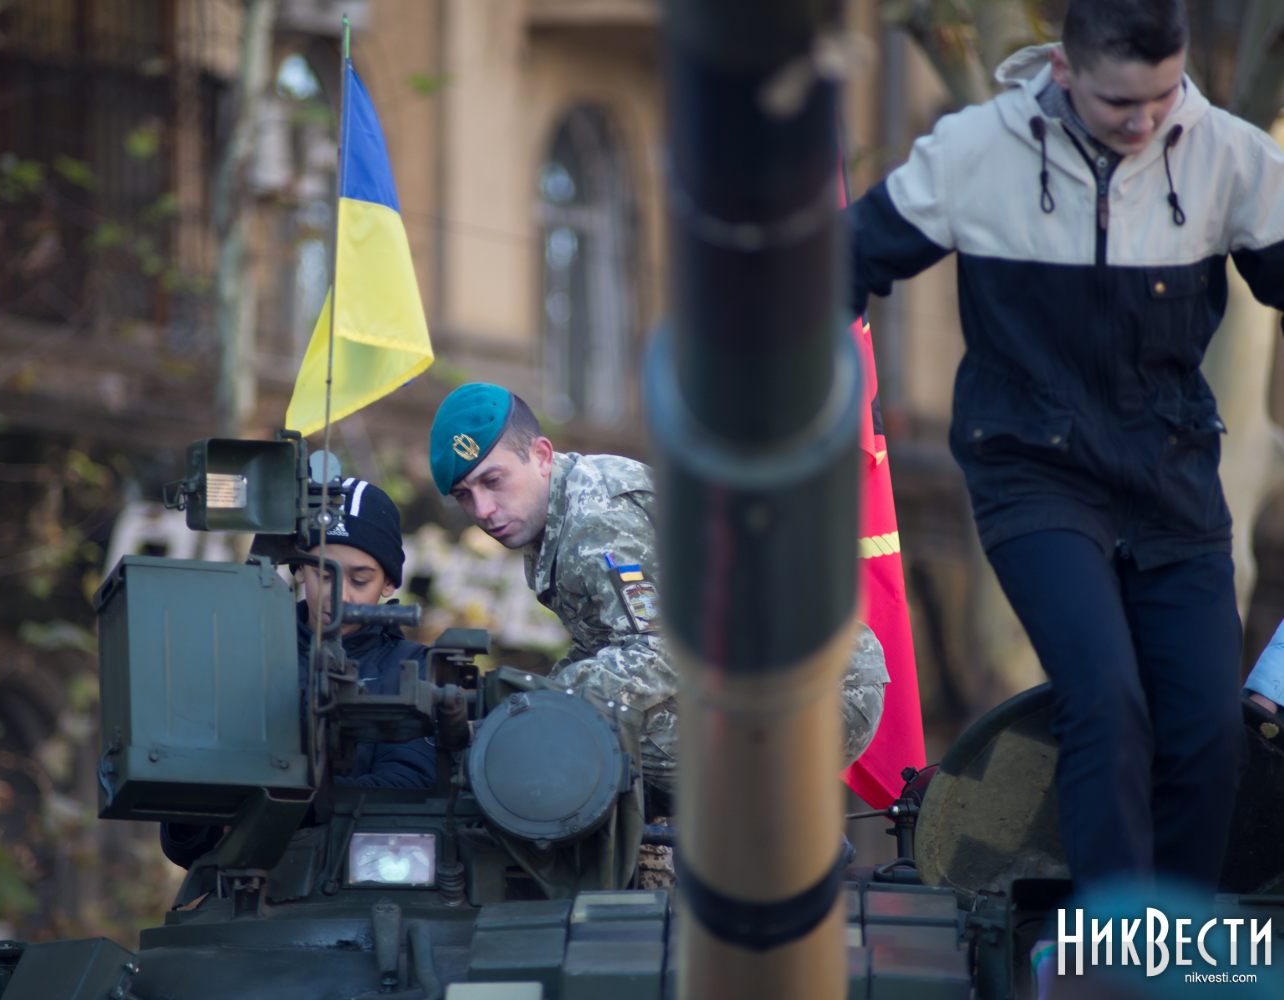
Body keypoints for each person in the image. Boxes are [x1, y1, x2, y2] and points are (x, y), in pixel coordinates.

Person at [850, 0, 1284, 891]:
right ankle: (1111, 945)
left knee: (1208, 732)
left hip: (1170, 475)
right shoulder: (980, 150)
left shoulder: (1226, 154)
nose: (1145, 123)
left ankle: (1173, 944)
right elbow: (843, 260)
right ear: (1063, 71)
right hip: (1032, 469)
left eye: (1163, 98)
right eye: (1120, 103)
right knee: (1108, 704)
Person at [427, 382, 889, 811]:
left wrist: (534, 705)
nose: (482, 510)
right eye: (464, 495)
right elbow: (607, 649)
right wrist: (523, 701)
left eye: (493, 481)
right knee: (569, 723)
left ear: (541, 456)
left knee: (603, 731)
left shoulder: (596, 520)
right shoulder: (556, 511)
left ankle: (785, 854)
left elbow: (661, 650)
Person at [160, 478, 435, 869]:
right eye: (325, 574)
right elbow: (184, 835)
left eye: (359, 580)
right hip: (245, 881)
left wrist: (275, 806)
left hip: (359, 879)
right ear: (300, 569)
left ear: (389, 583)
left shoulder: (414, 667)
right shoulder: (243, 654)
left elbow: (409, 788)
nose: (339, 595)